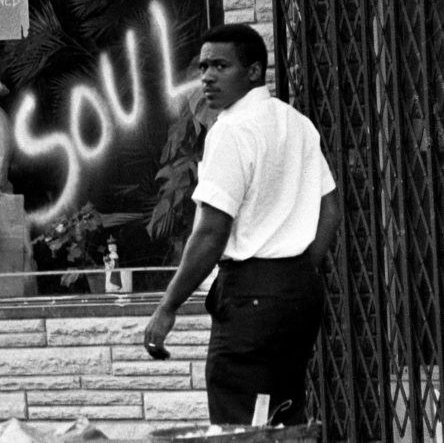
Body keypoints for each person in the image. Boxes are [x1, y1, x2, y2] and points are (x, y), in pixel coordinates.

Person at [143, 24, 342, 426]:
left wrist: (168, 306)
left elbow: (212, 231)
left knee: (240, 423)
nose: (207, 77)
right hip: (299, 294)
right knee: (280, 420)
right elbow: (331, 208)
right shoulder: (295, 122)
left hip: (252, 297)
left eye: (220, 65)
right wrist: (297, 270)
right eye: (203, 67)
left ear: (254, 71)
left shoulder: (230, 131)